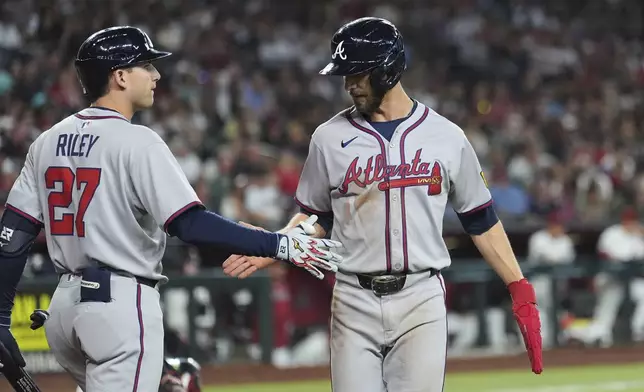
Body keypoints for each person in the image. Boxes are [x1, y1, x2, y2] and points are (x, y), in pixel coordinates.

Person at [0, 26, 342, 392]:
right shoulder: (137, 141)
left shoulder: (47, 142)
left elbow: (12, 237)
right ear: (119, 76)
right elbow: (189, 224)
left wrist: (2, 317)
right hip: (118, 305)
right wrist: (279, 244)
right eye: (146, 66)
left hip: (62, 308)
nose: (156, 75)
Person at [223, 17, 543, 392]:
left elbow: (480, 219)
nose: (349, 84)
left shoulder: (446, 137)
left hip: (421, 297)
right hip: (353, 299)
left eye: (358, 74)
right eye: (346, 75)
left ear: (389, 69)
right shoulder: (327, 138)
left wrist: (518, 285)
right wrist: (278, 246)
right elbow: (316, 215)